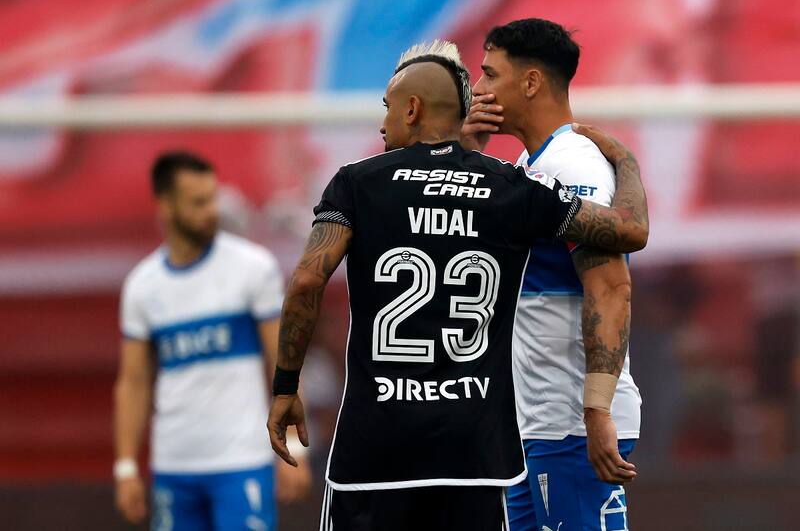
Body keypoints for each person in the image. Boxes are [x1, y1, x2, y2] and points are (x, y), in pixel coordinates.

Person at [267, 40, 648, 531]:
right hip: (476, 456)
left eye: (387, 108)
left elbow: (305, 283)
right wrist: (628, 166)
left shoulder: (356, 183)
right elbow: (630, 230)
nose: (383, 125)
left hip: (376, 447)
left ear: (412, 107)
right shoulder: (508, 188)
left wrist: (285, 386)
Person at [461, 18, 644, 531]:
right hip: (534, 424)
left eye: (490, 74)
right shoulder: (527, 164)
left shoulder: (573, 165)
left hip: (571, 427)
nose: (479, 88)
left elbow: (610, 287)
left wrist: (596, 412)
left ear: (532, 82)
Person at [113, 151, 311, 531]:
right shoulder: (142, 286)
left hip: (241, 462)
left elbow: (282, 362)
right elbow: (133, 383)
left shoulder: (253, 268)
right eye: (198, 202)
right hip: (173, 466)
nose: (211, 210)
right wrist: (125, 469)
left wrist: (296, 450)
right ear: (166, 205)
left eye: (213, 198)